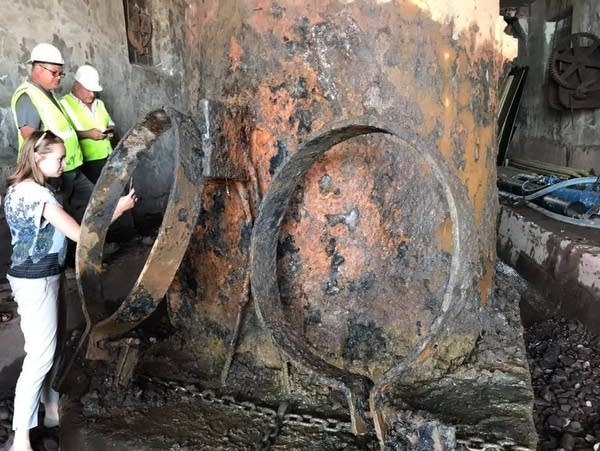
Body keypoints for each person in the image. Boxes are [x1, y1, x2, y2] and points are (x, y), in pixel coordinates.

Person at [3, 131, 136, 451]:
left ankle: (50, 413)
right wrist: (117, 209)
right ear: (37, 157)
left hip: (41, 276)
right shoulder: (40, 196)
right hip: (37, 281)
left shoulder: (18, 190)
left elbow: (61, 226)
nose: (64, 163)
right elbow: (79, 234)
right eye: (59, 158)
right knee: (40, 356)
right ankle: (21, 439)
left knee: (53, 347)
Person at [10, 42, 93, 225]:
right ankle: (73, 251)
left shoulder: (48, 94)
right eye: (54, 72)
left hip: (67, 167)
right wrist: (49, 173)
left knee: (89, 206)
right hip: (52, 174)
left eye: (60, 73)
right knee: (63, 219)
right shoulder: (28, 97)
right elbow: (30, 138)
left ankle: (85, 248)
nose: (59, 78)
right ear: (38, 68)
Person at [60, 65, 115, 184]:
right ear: (76, 85)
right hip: (86, 163)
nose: (92, 95)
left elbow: (110, 123)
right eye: (88, 90)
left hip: (109, 157)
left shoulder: (99, 103)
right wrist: (87, 134)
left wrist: (110, 131)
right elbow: (62, 135)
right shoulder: (64, 105)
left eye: (94, 91)